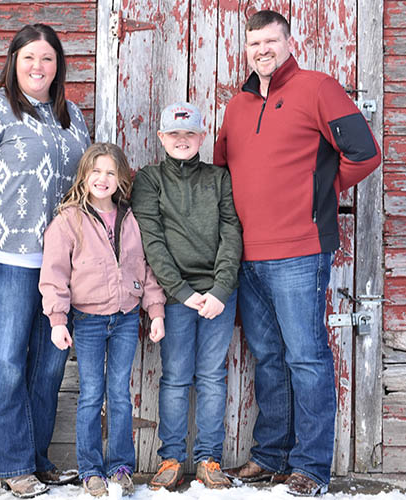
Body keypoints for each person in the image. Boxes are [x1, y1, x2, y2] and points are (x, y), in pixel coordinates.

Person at [213, 10, 381, 497]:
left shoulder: (318, 87)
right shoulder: (237, 107)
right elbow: (226, 174)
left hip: (300, 250)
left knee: (306, 357)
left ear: (289, 42)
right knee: (267, 357)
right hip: (248, 254)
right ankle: (270, 456)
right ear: (245, 50)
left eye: (270, 41)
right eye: (253, 44)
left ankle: (310, 466)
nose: (262, 50)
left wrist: (320, 195)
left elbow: (364, 153)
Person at [0, 24, 91, 498]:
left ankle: (36, 458)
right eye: (30, 57)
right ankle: (13, 465)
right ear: (14, 60)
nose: (39, 67)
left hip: (59, 264)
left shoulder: (70, 115)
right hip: (5, 259)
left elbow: (84, 186)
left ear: (59, 66)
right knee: (10, 360)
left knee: (50, 364)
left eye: (48, 59)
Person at [39, 142, 166, 497]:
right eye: (96, 171)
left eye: (111, 172)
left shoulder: (131, 218)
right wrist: (58, 319)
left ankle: (120, 466)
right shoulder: (69, 220)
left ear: (121, 178)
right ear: (84, 176)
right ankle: (91, 470)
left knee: (120, 395)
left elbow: (147, 267)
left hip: (126, 318)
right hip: (89, 319)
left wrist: (155, 311)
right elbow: (54, 273)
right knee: (92, 395)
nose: (103, 178)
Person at [131, 102, 243, 491]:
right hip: (175, 295)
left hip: (216, 295)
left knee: (212, 376)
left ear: (202, 137)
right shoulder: (150, 180)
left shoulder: (219, 179)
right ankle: (171, 457)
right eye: (174, 135)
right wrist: (180, 291)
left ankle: (209, 458)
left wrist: (220, 289)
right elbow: (152, 240)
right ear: (162, 138)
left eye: (190, 134)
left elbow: (232, 233)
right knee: (176, 378)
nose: (182, 141)